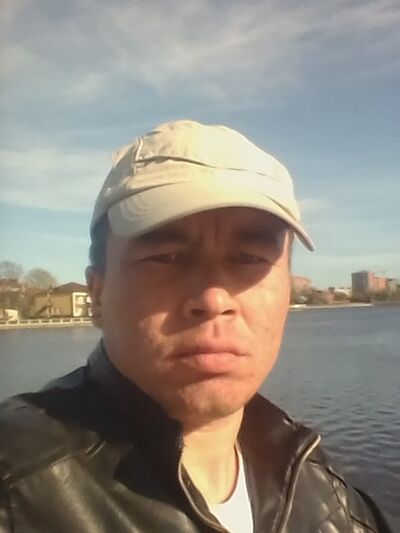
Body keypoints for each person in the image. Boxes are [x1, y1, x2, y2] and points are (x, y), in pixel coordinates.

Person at [0, 120, 392, 533]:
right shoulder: (17, 495)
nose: (214, 299)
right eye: (166, 257)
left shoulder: (326, 497)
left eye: (249, 259)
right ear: (98, 295)